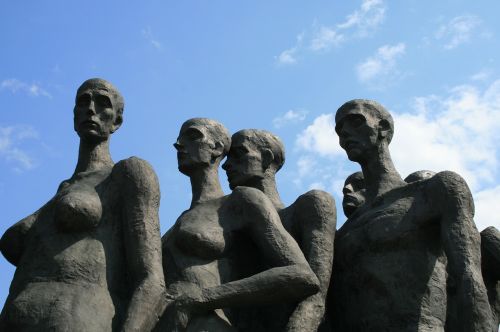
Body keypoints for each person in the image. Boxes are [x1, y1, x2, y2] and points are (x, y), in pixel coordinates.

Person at [0, 78, 166, 331]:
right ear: (74, 114)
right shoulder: (63, 188)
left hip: (79, 318)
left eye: (102, 103)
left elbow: (151, 279)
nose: (91, 109)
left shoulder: (127, 173)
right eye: (83, 101)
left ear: (117, 121)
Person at [331, 99, 493, 331]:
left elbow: (469, 275)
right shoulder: (343, 233)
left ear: (383, 128)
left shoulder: (433, 192)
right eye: (339, 129)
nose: (344, 132)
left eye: (355, 121)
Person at [157, 118, 319, 331]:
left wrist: (204, 298)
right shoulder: (177, 222)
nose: (178, 144)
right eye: (179, 139)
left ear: (216, 148)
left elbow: (301, 275)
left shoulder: (240, 201)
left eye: (193, 136)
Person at [222, 129, 336, 331]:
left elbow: (317, 293)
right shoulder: (227, 222)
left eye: (239, 154)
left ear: (266, 157)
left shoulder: (308, 206)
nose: (226, 165)